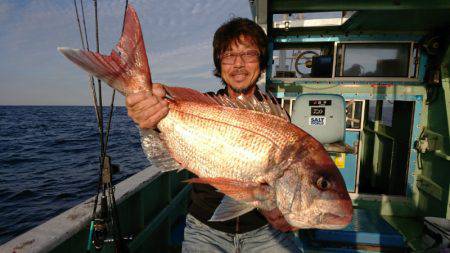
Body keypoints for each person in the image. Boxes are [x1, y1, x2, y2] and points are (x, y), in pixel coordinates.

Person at [126, 18, 302, 253]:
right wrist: (147, 118)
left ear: (261, 63)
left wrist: (287, 214)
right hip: (204, 231)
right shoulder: (200, 106)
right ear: (219, 65)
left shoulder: (277, 119)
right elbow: (159, 135)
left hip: (266, 233)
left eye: (249, 54)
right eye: (229, 55)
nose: (238, 64)